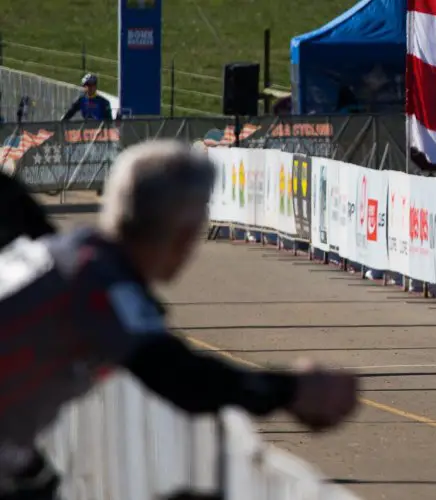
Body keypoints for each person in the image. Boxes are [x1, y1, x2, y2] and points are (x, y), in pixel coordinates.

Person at [0, 139, 359, 499]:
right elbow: (177, 375)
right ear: (186, 232)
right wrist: (291, 390)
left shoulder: (70, 255)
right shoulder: (99, 282)